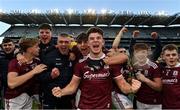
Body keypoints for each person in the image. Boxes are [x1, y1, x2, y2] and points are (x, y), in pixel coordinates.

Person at [52, 27, 141, 109]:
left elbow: (123, 86)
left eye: (98, 38)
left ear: (103, 42)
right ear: (88, 43)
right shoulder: (80, 65)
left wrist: (132, 88)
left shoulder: (112, 62)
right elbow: (72, 86)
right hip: (83, 107)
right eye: (91, 38)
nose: (95, 40)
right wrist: (62, 91)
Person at [4, 38, 47, 110]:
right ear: (29, 49)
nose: (39, 48)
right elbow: (11, 83)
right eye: (36, 46)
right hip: (14, 99)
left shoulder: (37, 62)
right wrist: (33, 72)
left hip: (29, 97)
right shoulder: (15, 62)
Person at [39, 33, 74, 109]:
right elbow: (40, 76)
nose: (63, 44)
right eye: (61, 42)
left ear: (70, 43)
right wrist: (51, 75)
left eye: (66, 42)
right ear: (57, 43)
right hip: (50, 97)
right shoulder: (49, 56)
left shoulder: (74, 56)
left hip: (66, 97)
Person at [132, 43, 162, 109]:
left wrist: (145, 79)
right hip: (139, 101)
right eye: (137, 52)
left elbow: (159, 87)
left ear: (147, 53)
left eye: (143, 52)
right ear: (134, 53)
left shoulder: (154, 66)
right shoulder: (134, 66)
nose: (140, 54)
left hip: (154, 103)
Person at [161, 44, 180, 109]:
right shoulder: (161, 70)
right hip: (164, 107)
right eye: (168, 55)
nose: (171, 57)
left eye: (174, 55)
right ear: (163, 57)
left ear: (178, 56)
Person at [0, 38, 17, 108]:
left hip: (20, 89)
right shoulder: (1, 59)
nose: (7, 47)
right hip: (5, 89)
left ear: (14, 46)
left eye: (9, 45)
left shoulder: (20, 57)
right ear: (2, 47)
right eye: (5, 45)